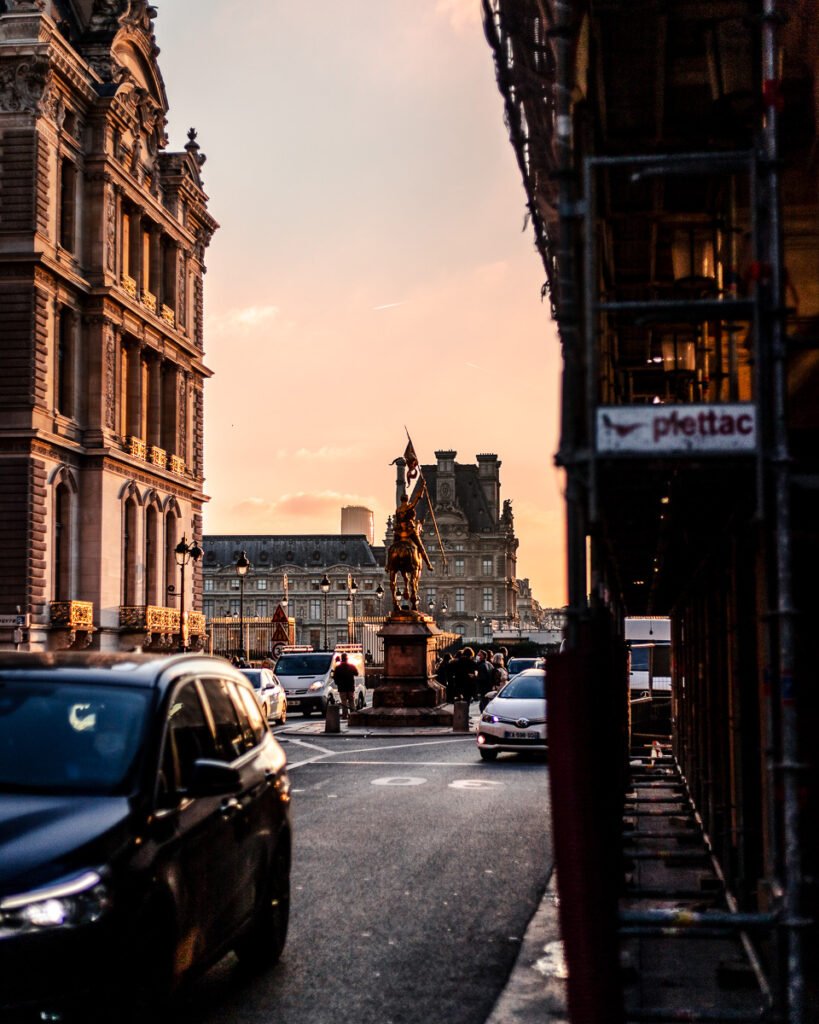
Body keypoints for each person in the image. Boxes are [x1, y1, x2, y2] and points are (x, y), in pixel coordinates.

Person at [332, 652, 358, 720]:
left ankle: (345, 715)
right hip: (350, 686)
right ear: (347, 659)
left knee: (344, 702)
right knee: (351, 701)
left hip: (342, 687)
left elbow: (335, 677)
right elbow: (356, 673)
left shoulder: (338, 667)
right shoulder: (351, 666)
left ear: (342, 659)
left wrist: (338, 683)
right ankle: (353, 714)